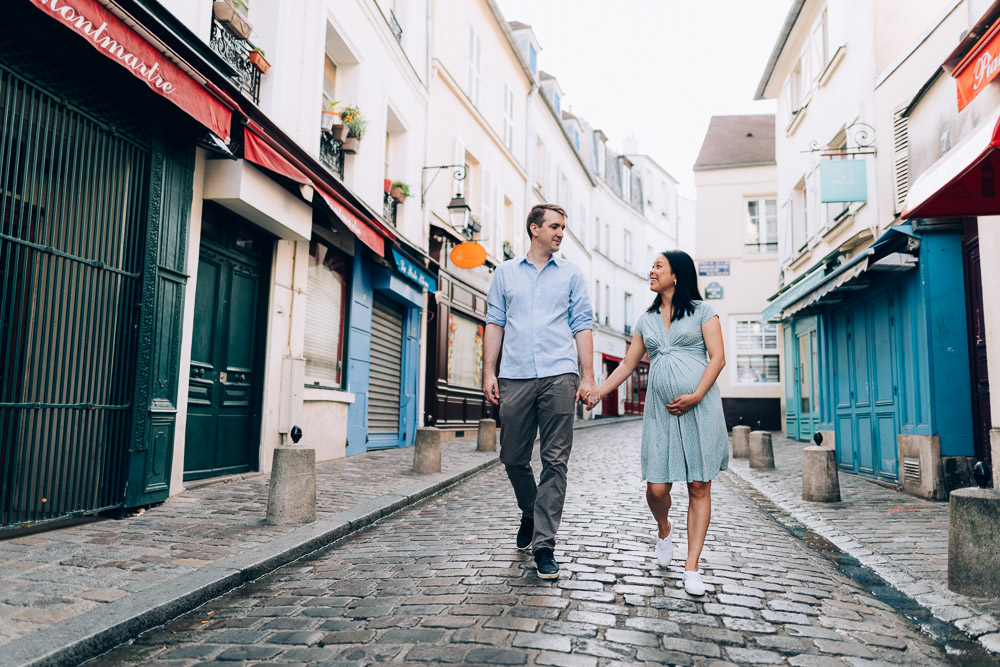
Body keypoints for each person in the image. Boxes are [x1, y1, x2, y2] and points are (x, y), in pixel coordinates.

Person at [586, 250, 727, 596]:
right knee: (657, 488)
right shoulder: (646, 320)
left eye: (658, 266)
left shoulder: (703, 312)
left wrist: (695, 395)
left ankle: (691, 568)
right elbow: (626, 365)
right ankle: (664, 529)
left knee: (699, 486)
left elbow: (718, 358)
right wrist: (597, 392)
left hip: (700, 407)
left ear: (676, 275)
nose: (651, 271)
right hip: (661, 413)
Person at [484, 203, 595, 580]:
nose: (561, 232)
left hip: (559, 374)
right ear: (534, 229)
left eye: (563, 226)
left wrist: (588, 376)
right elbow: (495, 323)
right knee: (512, 457)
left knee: (555, 461)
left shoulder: (572, 275)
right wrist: (489, 371)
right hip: (514, 375)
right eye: (554, 226)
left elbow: (582, 325)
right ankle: (530, 511)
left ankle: (544, 544)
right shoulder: (504, 274)